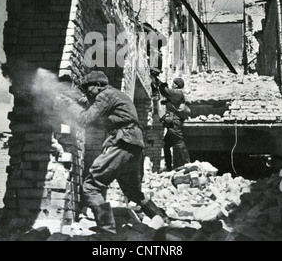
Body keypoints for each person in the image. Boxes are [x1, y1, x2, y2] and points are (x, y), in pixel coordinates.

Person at [66, 71, 169, 234]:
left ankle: (107, 231)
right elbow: (99, 114)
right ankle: (163, 220)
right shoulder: (116, 94)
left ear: (98, 85)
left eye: (89, 88)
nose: (87, 92)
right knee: (133, 192)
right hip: (134, 143)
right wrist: (79, 99)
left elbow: (85, 120)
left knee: (91, 186)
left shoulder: (105, 95)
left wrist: (69, 105)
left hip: (123, 141)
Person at [159, 77, 191, 171]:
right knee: (166, 145)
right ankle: (168, 167)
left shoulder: (176, 92)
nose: (172, 84)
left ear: (176, 85)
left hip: (174, 123)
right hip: (172, 122)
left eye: (173, 83)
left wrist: (161, 82)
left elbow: (163, 90)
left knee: (179, 142)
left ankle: (187, 164)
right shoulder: (178, 94)